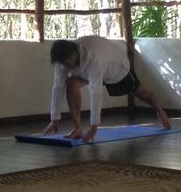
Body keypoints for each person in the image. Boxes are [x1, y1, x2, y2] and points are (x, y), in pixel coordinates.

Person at [43, 36, 171, 142]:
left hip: (118, 70)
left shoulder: (93, 58)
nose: (66, 67)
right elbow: (57, 87)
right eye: (64, 64)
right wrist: (54, 118)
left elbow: (95, 92)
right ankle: (78, 128)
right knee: (71, 83)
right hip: (94, 70)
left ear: (74, 54)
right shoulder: (62, 61)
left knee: (142, 94)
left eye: (68, 64)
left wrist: (94, 126)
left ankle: (159, 109)